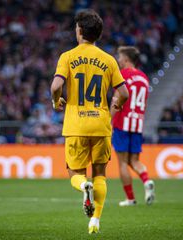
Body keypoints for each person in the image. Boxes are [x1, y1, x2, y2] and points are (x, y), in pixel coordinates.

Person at [50, 9, 129, 234]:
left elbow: (56, 87)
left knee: (76, 174)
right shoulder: (109, 60)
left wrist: (56, 101)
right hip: (101, 124)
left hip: (76, 125)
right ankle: (95, 220)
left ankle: (84, 187)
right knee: (101, 174)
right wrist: (116, 105)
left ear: (80, 31)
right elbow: (123, 92)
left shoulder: (68, 57)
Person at [112, 46, 155, 207]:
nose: (118, 60)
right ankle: (147, 181)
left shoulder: (122, 75)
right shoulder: (144, 78)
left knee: (123, 163)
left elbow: (117, 99)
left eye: (120, 57)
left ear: (126, 59)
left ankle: (130, 199)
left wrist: (109, 119)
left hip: (122, 122)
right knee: (135, 161)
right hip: (137, 124)